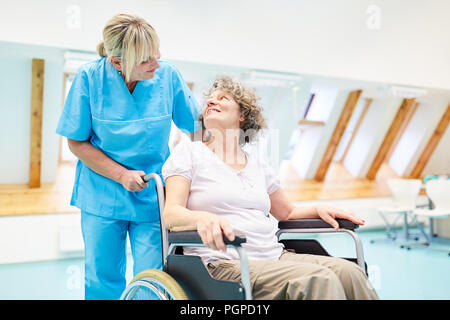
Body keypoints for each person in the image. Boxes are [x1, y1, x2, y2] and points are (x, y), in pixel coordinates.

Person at [161, 76, 379, 300]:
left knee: (349, 271)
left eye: (223, 98)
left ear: (242, 115)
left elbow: (287, 213)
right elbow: (171, 214)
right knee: (319, 279)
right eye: (209, 100)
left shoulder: (257, 163)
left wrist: (319, 209)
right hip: (226, 263)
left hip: (275, 257)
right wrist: (201, 219)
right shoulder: (189, 153)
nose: (211, 102)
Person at [56, 13, 200, 300]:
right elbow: (76, 142)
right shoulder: (89, 79)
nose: (156, 64)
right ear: (117, 63)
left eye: (156, 54)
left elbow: (197, 129)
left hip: (152, 193)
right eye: (146, 60)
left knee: (153, 277)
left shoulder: (167, 76)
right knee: (102, 277)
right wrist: (122, 175)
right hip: (102, 194)